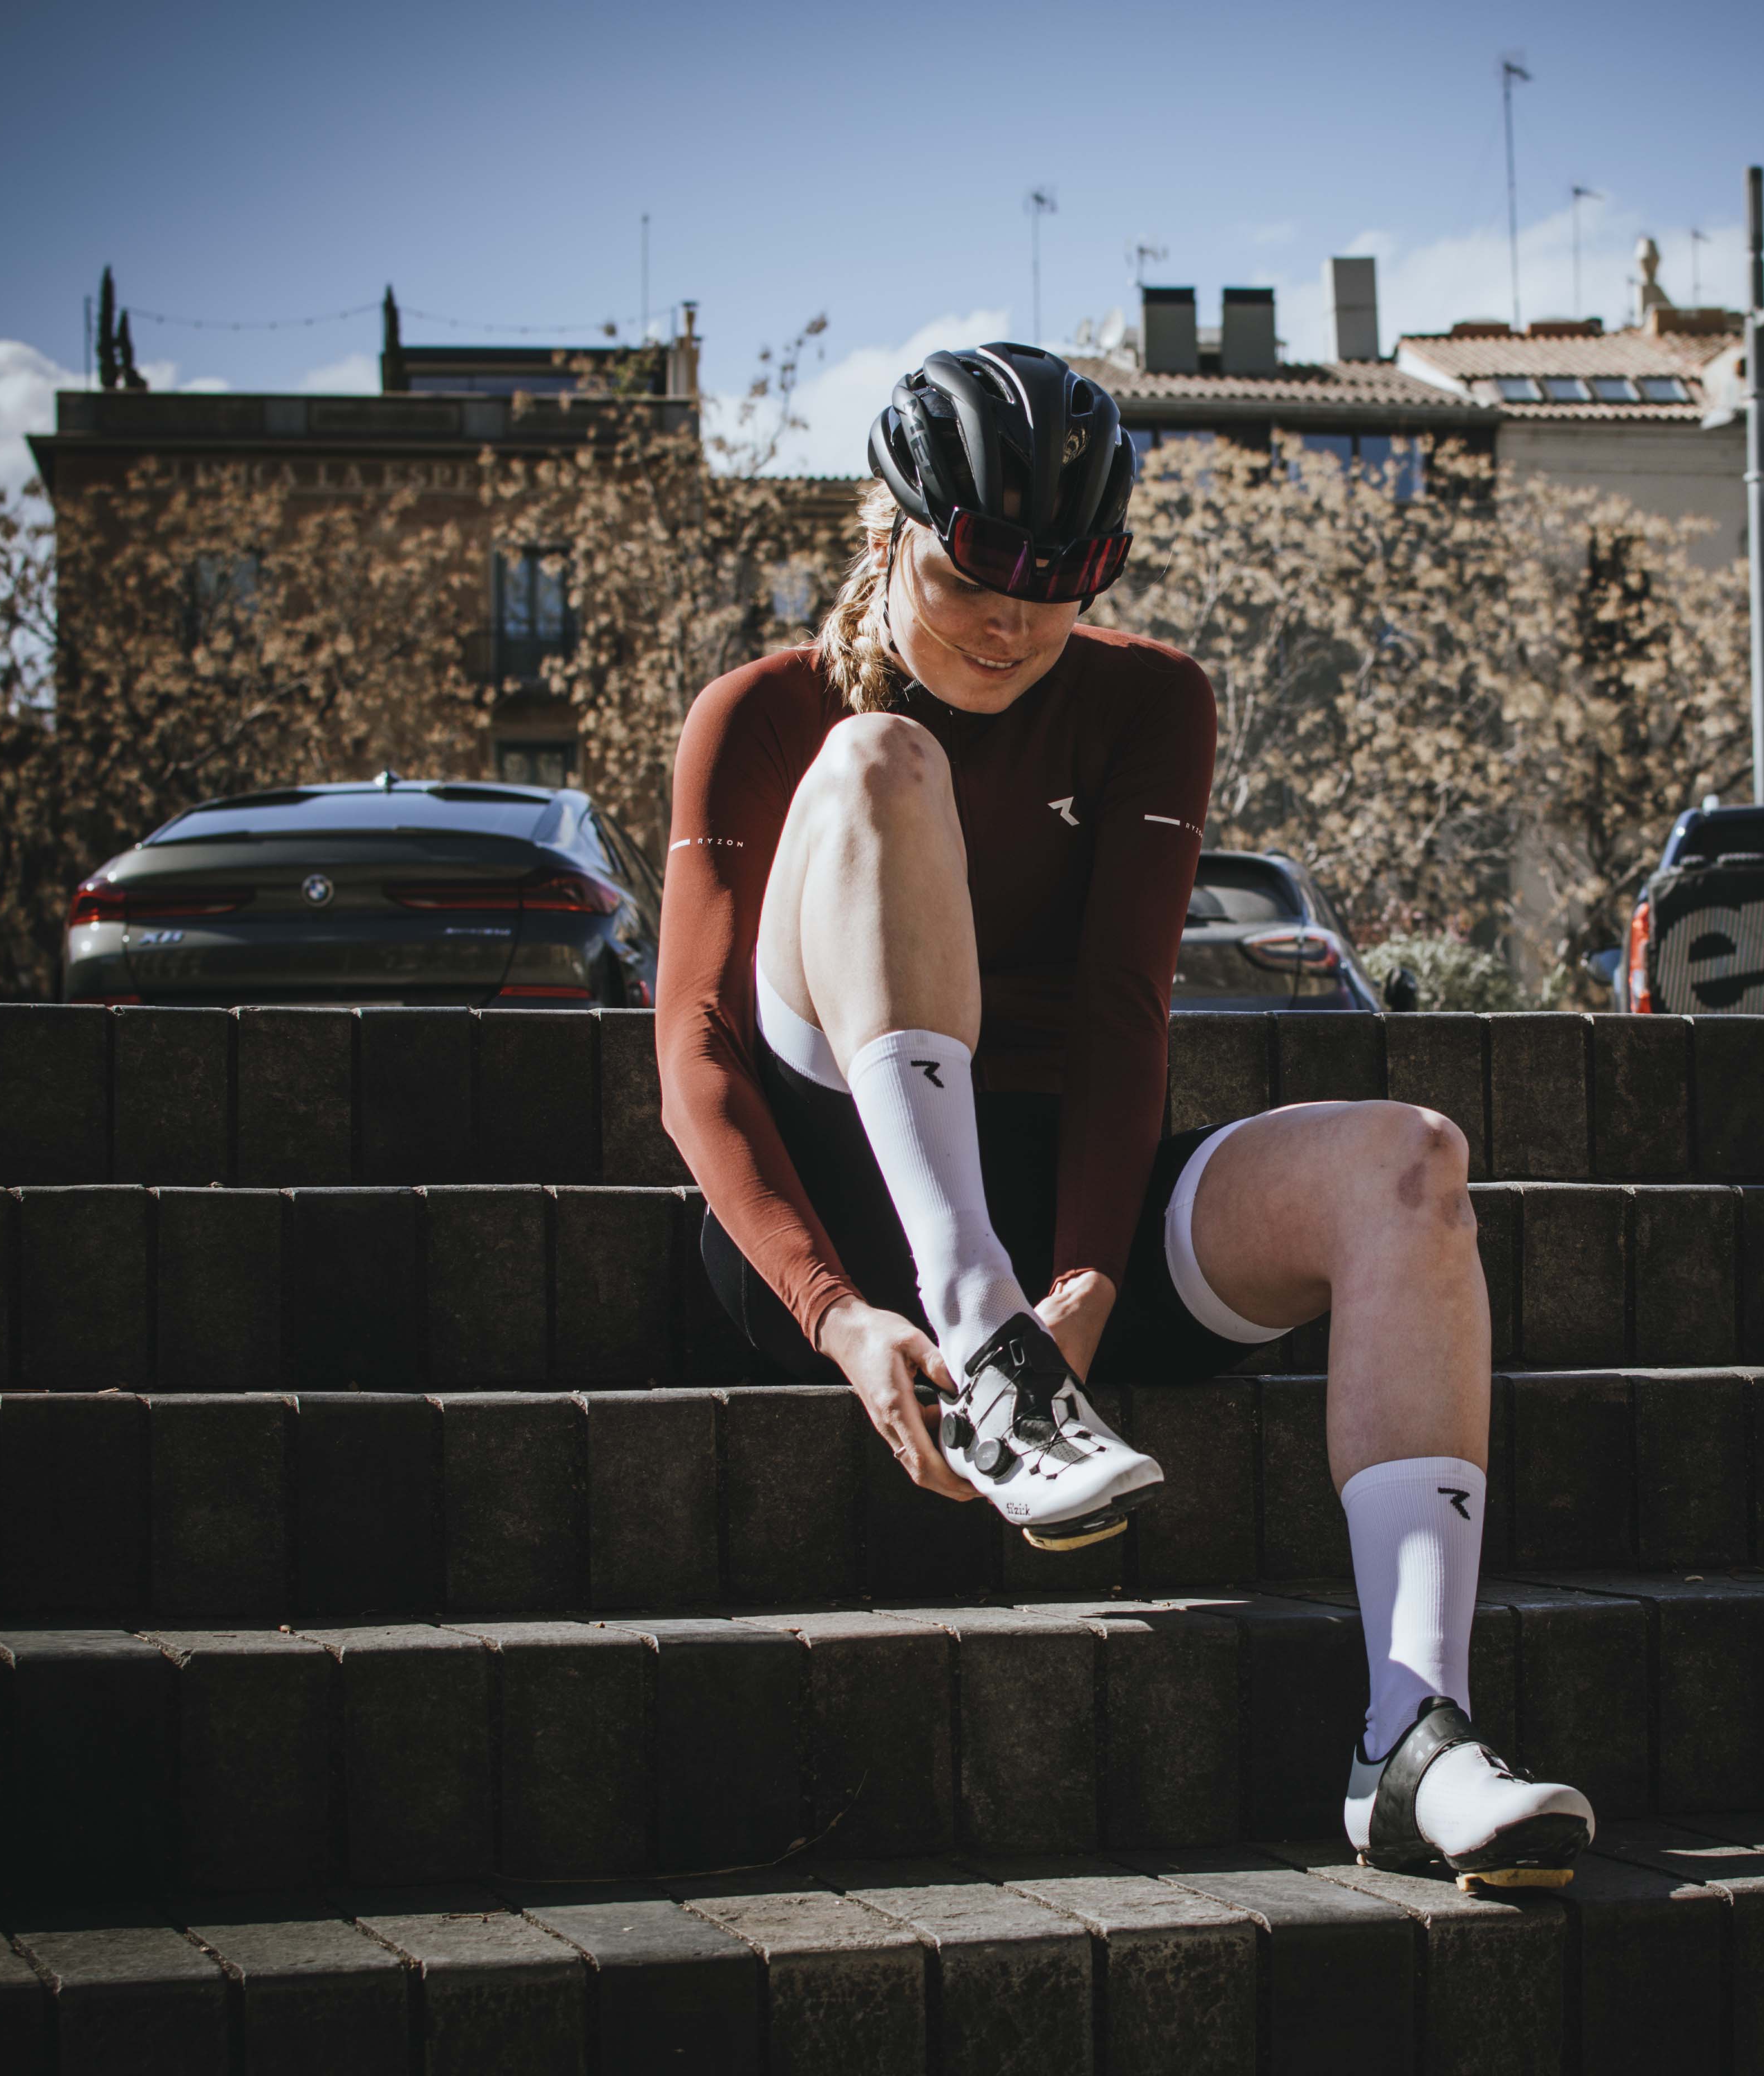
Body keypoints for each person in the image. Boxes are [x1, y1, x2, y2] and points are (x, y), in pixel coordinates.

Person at [654, 342, 1593, 1889]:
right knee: (884, 760)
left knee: (1411, 1163)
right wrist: (833, 1312)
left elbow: (1121, 1016)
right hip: (850, 1206)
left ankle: (1414, 1737)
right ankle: (985, 1335)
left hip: (1060, 1221)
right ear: (889, 527)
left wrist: (1087, 1272)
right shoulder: (762, 710)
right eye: (983, 566)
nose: (1023, 616)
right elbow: (694, 1049)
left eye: (1070, 573)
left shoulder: (1151, 700)